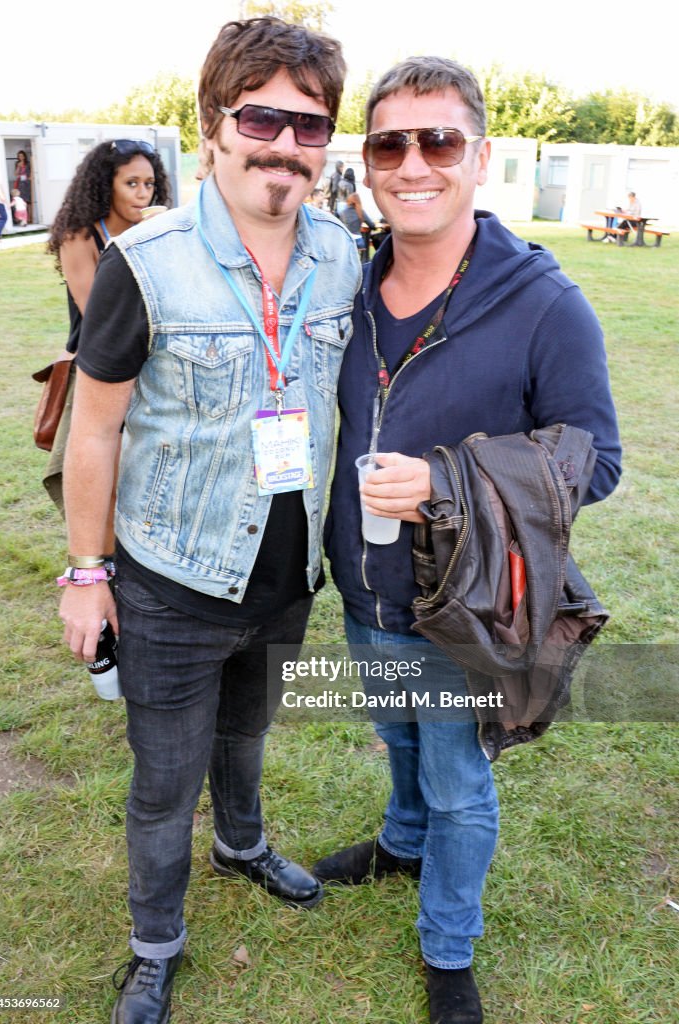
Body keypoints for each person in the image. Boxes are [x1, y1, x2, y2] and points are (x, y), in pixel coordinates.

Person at [58, 17, 359, 1024]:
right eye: (262, 115)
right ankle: (155, 947)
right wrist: (87, 574)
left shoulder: (343, 254)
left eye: (309, 124)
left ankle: (241, 845)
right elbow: (94, 431)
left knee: (247, 736)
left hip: (285, 580)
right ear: (215, 124)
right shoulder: (144, 263)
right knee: (162, 780)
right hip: (172, 580)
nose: (284, 143)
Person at [316, 56, 622, 1023]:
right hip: (362, 583)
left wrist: (446, 481)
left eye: (438, 140)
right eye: (389, 143)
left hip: (462, 605)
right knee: (400, 736)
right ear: (367, 161)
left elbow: (595, 460)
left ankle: (449, 946)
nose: (414, 164)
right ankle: (399, 845)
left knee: (458, 783)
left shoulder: (543, 303)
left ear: (479, 157)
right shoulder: (350, 287)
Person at [44, 140, 171, 521]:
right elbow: (99, 316)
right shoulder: (79, 237)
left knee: (144, 477)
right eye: (131, 183)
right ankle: (97, 567)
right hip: (100, 371)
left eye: (149, 184)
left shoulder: (158, 232)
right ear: (105, 185)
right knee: (103, 478)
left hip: (154, 369)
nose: (142, 193)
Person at [335, 166, 375, 261]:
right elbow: (372, 225)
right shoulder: (361, 212)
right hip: (358, 241)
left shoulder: (342, 212)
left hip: (345, 240)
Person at [13, 150, 32, 221]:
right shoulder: (17, 163)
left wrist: (30, 177)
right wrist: (18, 166)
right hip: (20, 183)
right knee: (21, 201)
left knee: (28, 200)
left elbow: (31, 172)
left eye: (22, 156)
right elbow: (15, 174)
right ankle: (21, 218)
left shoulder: (28, 163)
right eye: (19, 156)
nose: (21, 157)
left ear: (24, 156)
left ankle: (29, 217)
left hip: (27, 183)